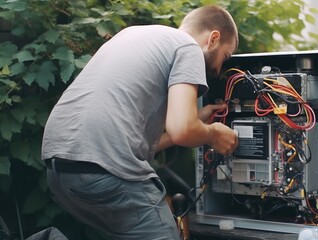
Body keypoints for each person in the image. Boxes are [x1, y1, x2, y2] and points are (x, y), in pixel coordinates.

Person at [41, 5, 239, 240]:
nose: (219, 69)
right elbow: (182, 130)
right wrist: (214, 134)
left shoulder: (133, 35)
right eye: (225, 56)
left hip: (61, 170)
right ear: (213, 38)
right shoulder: (187, 47)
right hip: (104, 167)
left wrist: (196, 120)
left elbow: (154, 140)